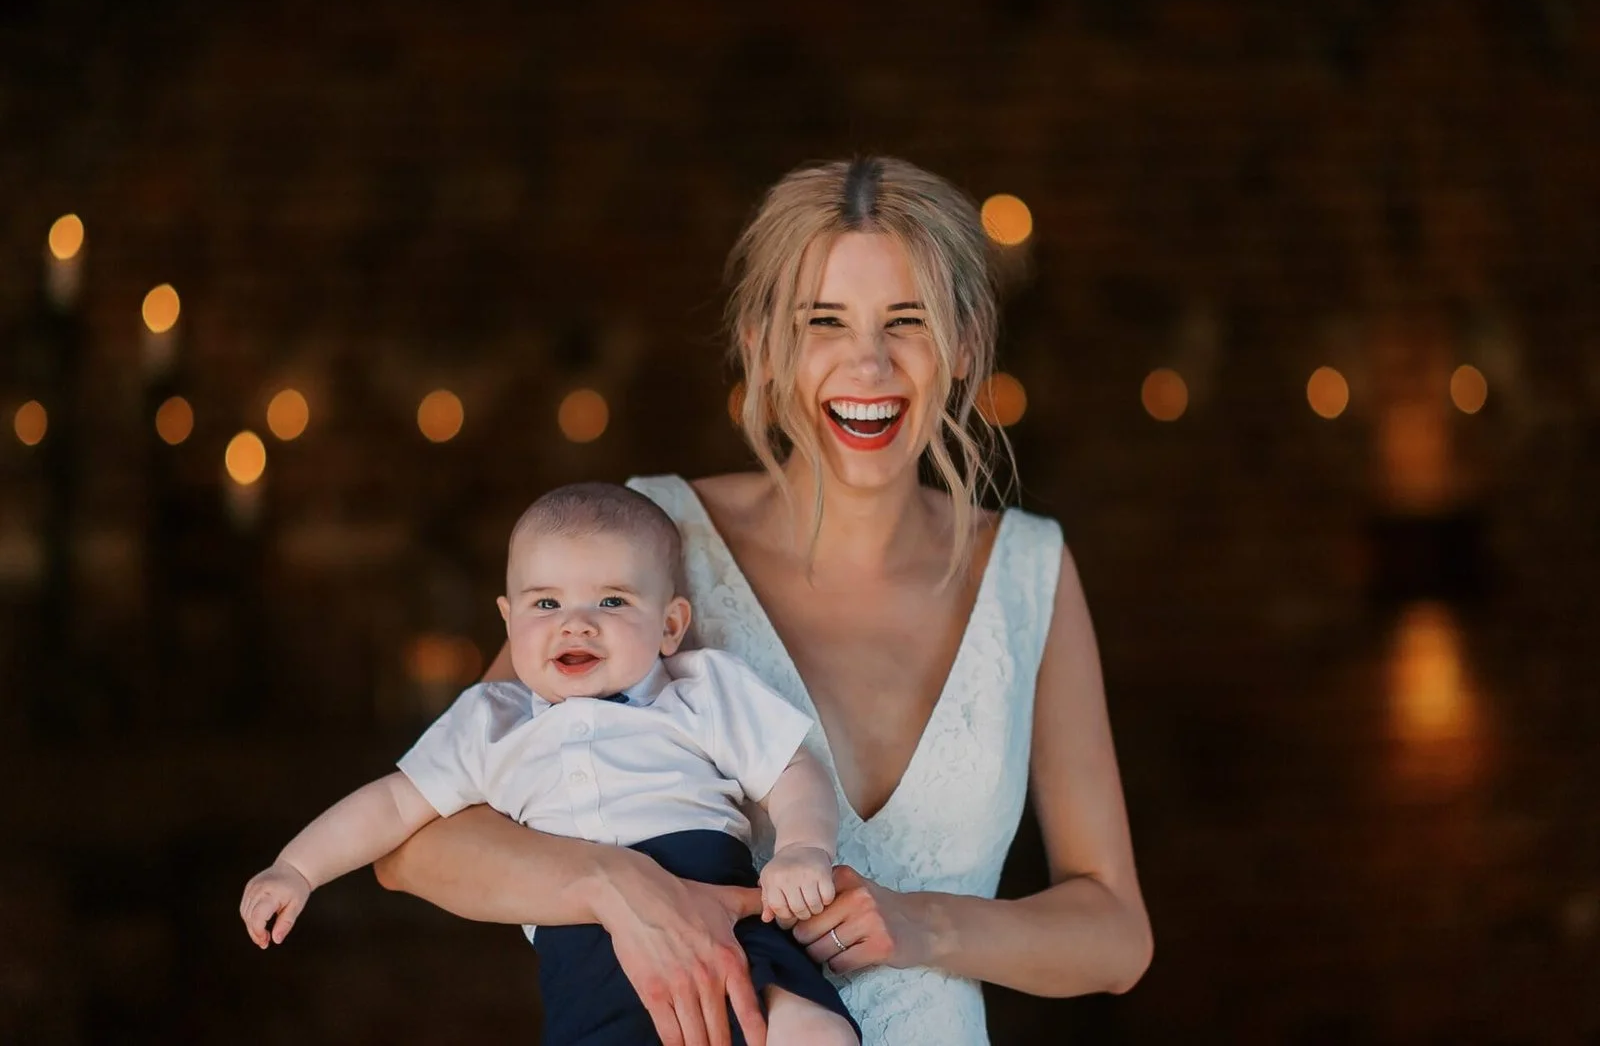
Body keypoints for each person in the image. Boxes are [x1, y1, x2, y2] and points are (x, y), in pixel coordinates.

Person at [375, 156, 1153, 1046]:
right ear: (762, 344)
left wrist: (928, 925)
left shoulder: (1029, 571)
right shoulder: (650, 543)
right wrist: (617, 886)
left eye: (909, 321)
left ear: (966, 344)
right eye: (825, 322)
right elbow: (414, 843)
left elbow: (1116, 933)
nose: (869, 363)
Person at [240, 483, 859, 1046]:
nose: (577, 624)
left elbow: (792, 770)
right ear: (508, 623)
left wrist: (803, 847)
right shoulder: (492, 721)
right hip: (581, 949)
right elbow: (395, 803)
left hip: (720, 910)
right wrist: (298, 867)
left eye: (612, 601)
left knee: (812, 1029)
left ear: (670, 625)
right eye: (546, 605)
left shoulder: (698, 689)